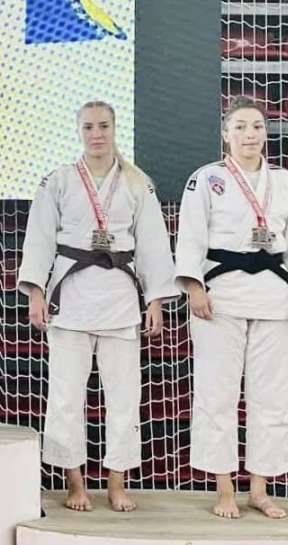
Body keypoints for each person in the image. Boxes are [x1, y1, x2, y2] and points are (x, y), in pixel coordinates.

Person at [175, 96, 288, 519]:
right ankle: (224, 488)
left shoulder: (284, 182)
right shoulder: (207, 178)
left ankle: (260, 488)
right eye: (240, 127)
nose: (250, 134)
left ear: (265, 133)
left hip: (273, 295)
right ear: (225, 134)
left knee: (272, 395)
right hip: (220, 295)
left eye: (257, 127)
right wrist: (193, 285)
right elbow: (190, 235)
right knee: (217, 392)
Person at [17, 101, 177, 512]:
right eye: (88, 127)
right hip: (70, 297)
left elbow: (153, 244)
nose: (96, 134)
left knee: (124, 397)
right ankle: (75, 483)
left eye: (103, 126)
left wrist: (155, 299)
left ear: (114, 128)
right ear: (78, 131)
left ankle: (116, 483)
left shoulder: (137, 182)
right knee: (66, 396)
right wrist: (35, 291)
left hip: (120, 297)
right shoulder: (57, 180)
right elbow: (39, 238)